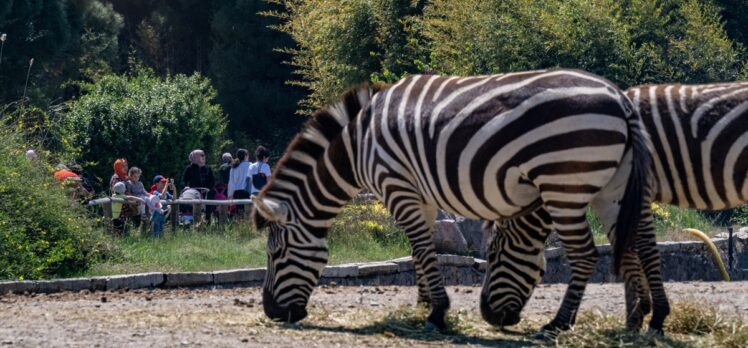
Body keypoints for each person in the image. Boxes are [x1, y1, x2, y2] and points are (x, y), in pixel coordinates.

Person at [181, 149, 216, 224]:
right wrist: (186, 187)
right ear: (195, 157)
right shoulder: (189, 168)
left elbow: (212, 181)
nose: (204, 157)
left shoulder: (208, 168)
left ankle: (207, 226)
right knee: (195, 211)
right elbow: (184, 181)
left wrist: (208, 189)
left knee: (208, 211)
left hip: (206, 194)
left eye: (204, 155)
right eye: (201, 155)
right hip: (194, 194)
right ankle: (194, 225)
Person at [227, 149, 251, 216]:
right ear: (246, 156)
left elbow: (231, 183)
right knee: (249, 214)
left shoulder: (233, 167)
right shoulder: (251, 166)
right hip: (248, 193)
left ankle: (240, 226)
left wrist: (230, 195)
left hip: (237, 193)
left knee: (239, 213)